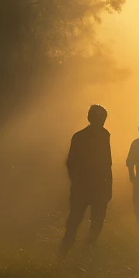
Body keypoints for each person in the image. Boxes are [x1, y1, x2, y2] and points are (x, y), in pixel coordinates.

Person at [60, 105, 113, 255]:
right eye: (99, 118)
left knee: (92, 219)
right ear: (91, 118)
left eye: (102, 119)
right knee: (78, 220)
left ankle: (82, 249)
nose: (101, 121)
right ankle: (68, 251)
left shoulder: (100, 135)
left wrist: (109, 186)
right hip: (88, 185)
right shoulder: (84, 136)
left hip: (93, 185)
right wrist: (75, 181)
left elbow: (107, 163)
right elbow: (71, 162)